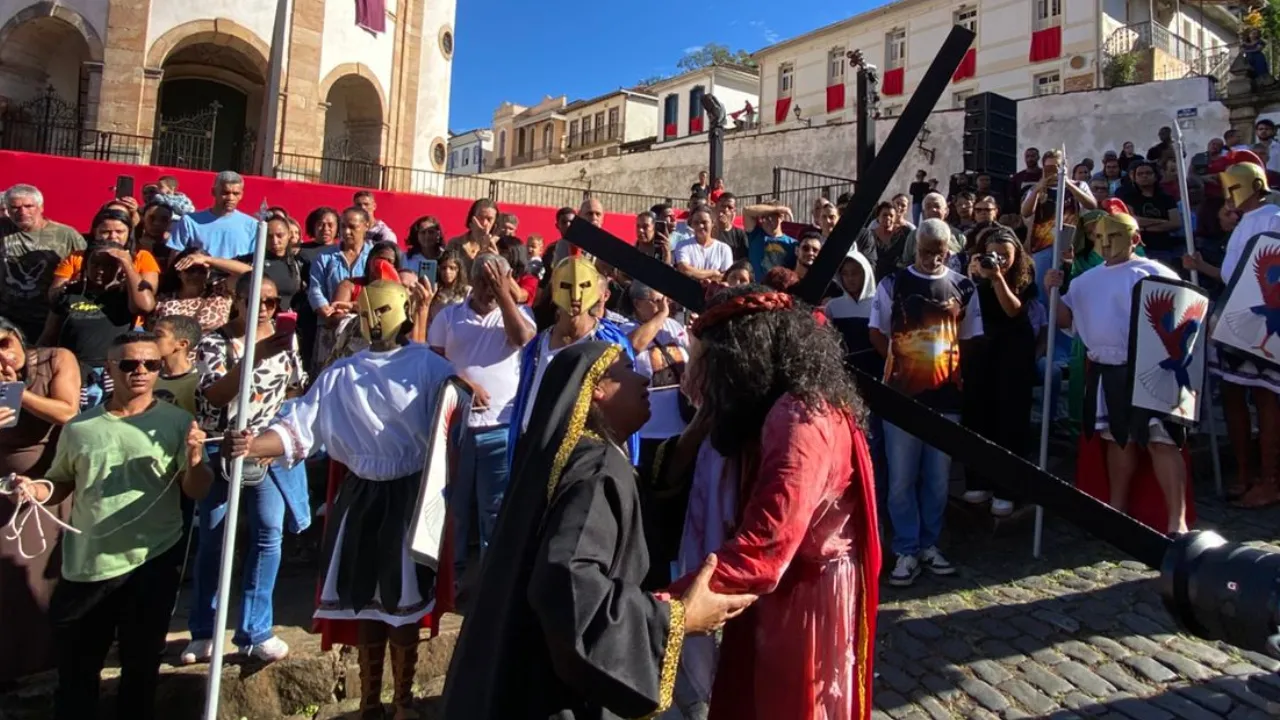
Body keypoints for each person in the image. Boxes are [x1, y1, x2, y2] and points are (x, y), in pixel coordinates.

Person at [442, 341, 757, 720]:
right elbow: (567, 581)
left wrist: (689, 442)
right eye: (627, 368)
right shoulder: (596, 468)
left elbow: (628, 508)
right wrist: (679, 618)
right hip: (564, 697)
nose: (643, 378)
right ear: (597, 389)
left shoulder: (584, 455)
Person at [221, 271, 449, 719]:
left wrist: (468, 391)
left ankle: (402, 701)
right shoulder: (340, 373)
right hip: (360, 497)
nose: (374, 319)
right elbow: (296, 430)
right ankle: (368, 703)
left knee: (402, 603)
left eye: (382, 310)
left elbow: (459, 407)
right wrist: (251, 444)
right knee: (365, 602)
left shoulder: (429, 365)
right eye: (368, 312)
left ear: (401, 314)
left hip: (409, 496)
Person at [661, 284, 881, 720]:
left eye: (711, 363)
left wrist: (660, 613)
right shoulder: (784, 402)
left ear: (741, 356)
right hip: (786, 585)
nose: (702, 378)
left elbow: (765, 546)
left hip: (804, 599)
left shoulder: (800, 418)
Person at [12, 332, 211, 720]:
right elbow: (61, 480)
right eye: (129, 364)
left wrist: (196, 458)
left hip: (152, 559)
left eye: (150, 365)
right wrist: (35, 489)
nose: (140, 371)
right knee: (76, 672)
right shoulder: (80, 428)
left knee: (140, 669)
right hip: (87, 564)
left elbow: (197, 489)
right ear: (110, 369)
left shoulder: (177, 422)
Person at [182, 274, 308, 666]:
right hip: (222, 447)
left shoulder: (285, 340)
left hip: (264, 451)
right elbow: (215, 392)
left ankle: (255, 629)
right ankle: (204, 629)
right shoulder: (214, 341)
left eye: (272, 302)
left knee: (268, 533)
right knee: (215, 539)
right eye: (258, 300)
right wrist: (256, 355)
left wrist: (275, 436)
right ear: (238, 299)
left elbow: (294, 386)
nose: (266, 309)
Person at [1044, 206, 1190, 533]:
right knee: (1116, 439)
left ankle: (1176, 524)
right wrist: (1051, 289)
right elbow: (1066, 321)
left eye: (1114, 235)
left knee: (1161, 440)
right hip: (1107, 370)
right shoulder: (1084, 282)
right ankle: (1117, 512)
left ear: (1135, 238)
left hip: (1153, 370)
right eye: (1100, 237)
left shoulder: (1157, 274)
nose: (1106, 243)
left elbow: (1185, 323)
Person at [869, 219, 983, 586]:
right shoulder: (893, 283)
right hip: (902, 396)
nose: (933, 258)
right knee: (901, 478)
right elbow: (877, 331)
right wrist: (900, 363)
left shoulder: (964, 286)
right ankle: (906, 546)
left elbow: (968, 338)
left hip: (946, 395)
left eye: (939, 251)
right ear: (915, 248)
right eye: (925, 251)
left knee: (936, 479)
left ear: (949, 248)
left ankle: (929, 543)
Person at [428, 252, 536, 580]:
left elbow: (523, 340)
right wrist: (464, 384)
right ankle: (454, 578)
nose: (488, 290)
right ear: (471, 280)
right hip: (458, 427)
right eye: (484, 282)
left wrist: (505, 296)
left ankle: (493, 579)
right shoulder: (448, 317)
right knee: (455, 508)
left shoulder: (522, 314)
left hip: (500, 428)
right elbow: (432, 365)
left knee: (496, 509)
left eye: (495, 283)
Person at [1191, 153, 1280, 506]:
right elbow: (1232, 275)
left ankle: (1270, 479)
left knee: (1265, 396)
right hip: (1234, 322)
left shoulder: (1272, 219)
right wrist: (1200, 266)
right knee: (1233, 395)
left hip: (1260, 325)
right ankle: (1245, 473)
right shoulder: (1245, 222)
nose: (1228, 195)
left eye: (1233, 187)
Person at [0, 316, 79, 682]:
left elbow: (67, 411)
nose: (2, 356)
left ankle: (46, 664)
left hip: (48, 485)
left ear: (19, 339)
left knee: (40, 579)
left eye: (4, 344)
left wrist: (18, 393)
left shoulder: (55, 358)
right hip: (4, 485)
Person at [509, 257, 638, 465]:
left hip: (587, 458)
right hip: (535, 452)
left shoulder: (610, 342)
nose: (575, 295)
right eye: (566, 286)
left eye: (584, 286)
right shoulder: (538, 345)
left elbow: (624, 406)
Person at [961, 225, 1038, 517]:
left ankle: (1007, 487)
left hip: (1013, 350)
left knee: (1009, 418)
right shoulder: (975, 271)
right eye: (992, 255)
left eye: (1004, 255)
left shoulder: (1023, 275)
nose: (997, 260)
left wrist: (997, 278)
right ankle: (978, 479)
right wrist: (973, 277)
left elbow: (1012, 309)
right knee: (978, 412)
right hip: (982, 348)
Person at [39, 241, 147, 410]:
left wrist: (127, 263)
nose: (100, 271)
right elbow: (49, 335)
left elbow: (145, 306)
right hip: (73, 372)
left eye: (109, 266)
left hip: (112, 373)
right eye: (95, 264)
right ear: (85, 264)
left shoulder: (125, 294)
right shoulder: (69, 293)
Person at [1, 184, 86, 341]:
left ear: (41, 207)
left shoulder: (65, 235)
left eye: (28, 206)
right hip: (7, 317)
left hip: (48, 318)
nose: (22, 212)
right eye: (15, 207)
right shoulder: (3, 228)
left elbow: (86, 268)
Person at [49, 209, 161, 307]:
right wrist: (68, 287)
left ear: (129, 233)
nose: (113, 236)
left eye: (119, 232)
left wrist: (127, 265)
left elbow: (149, 295)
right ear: (95, 232)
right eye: (105, 232)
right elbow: (53, 295)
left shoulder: (142, 257)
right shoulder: (77, 257)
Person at [166, 171, 259, 259]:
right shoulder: (189, 221)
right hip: (200, 275)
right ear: (214, 192)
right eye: (225, 193)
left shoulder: (252, 225)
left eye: (236, 193)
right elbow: (176, 257)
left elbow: (254, 262)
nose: (230, 198)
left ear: (241, 195)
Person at [152, 246, 234, 333]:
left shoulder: (220, 294)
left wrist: (208, 260)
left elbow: (248, 274)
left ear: (209, 272)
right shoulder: (164, 300)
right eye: (190, 270)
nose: (195, 274)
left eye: (201, 270)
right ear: (179, 273)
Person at [1119, 161, 1182, 269]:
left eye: (1148, 173)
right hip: (1138, 248)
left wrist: (1144, 227)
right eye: (1140, 174)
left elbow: (1175, 223)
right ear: (1134, 178)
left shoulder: (1166, 198)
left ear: (1155, 176)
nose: (1144, 176)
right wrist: (1161, 222)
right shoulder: (1128, 198)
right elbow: (1133, 220)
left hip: (1162, 248)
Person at [232, 214, 303, 310]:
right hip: (260, 317)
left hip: (288, 319)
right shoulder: (254, 259)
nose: (275, 241)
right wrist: (208, 259)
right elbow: (232, 265)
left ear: (289, 235)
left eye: (279, 235)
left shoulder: (297, 261)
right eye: (269, 236)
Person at [151, 314, 202, 415]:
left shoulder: (198, 382)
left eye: (158, 336)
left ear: (182, 344)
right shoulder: (148, 376)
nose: (151, 340)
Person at [674, 207, 733, 281]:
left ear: (712, 223)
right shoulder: (682, 245)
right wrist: (713, 272)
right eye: (696, 223)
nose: (700, 226)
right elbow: (685, 270)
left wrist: (698, 275)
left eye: (704, 222)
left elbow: (726, 276)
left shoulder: (724, 248)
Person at [446, 198, 500, 277]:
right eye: (480, 217)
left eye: (489, 219)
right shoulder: (455, 244)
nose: (484, 223)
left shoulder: (498, 246)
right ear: (472, 218)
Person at [742, 200, 796, 280]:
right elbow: (746, 211)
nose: (765, 220)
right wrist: (776, 209)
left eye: (770, 216)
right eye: (763, 216)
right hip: (756, 289)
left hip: (779, 290)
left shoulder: (793, 244)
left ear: (781, 217)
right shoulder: (755, 234)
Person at [429, 250, 471, 322]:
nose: (447, 272)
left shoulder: (467, 291)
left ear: (458, 270)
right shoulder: (433, 291)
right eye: (443, 268)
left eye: (452, 268)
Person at [714, 193, 748, 261]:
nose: (725, 210)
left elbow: (745, 258)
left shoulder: (740, 234)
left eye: (730, 207)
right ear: (717, 207)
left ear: (734, 211)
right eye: (722, 206)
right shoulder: (709, 230)